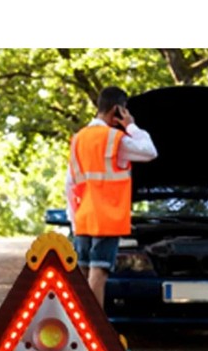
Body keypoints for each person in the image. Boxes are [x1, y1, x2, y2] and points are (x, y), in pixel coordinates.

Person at [66, 86, 157, 307]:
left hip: (84, 216)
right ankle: (94, 329)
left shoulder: (78, 139)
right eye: (123, 110)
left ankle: (80, 327)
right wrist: (131, 126)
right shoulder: (115, 139)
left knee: (85, 272)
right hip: (107, 218)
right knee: (99, 272)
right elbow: (150, 151)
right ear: (117, 109)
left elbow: (70, 183)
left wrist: (73, 219)